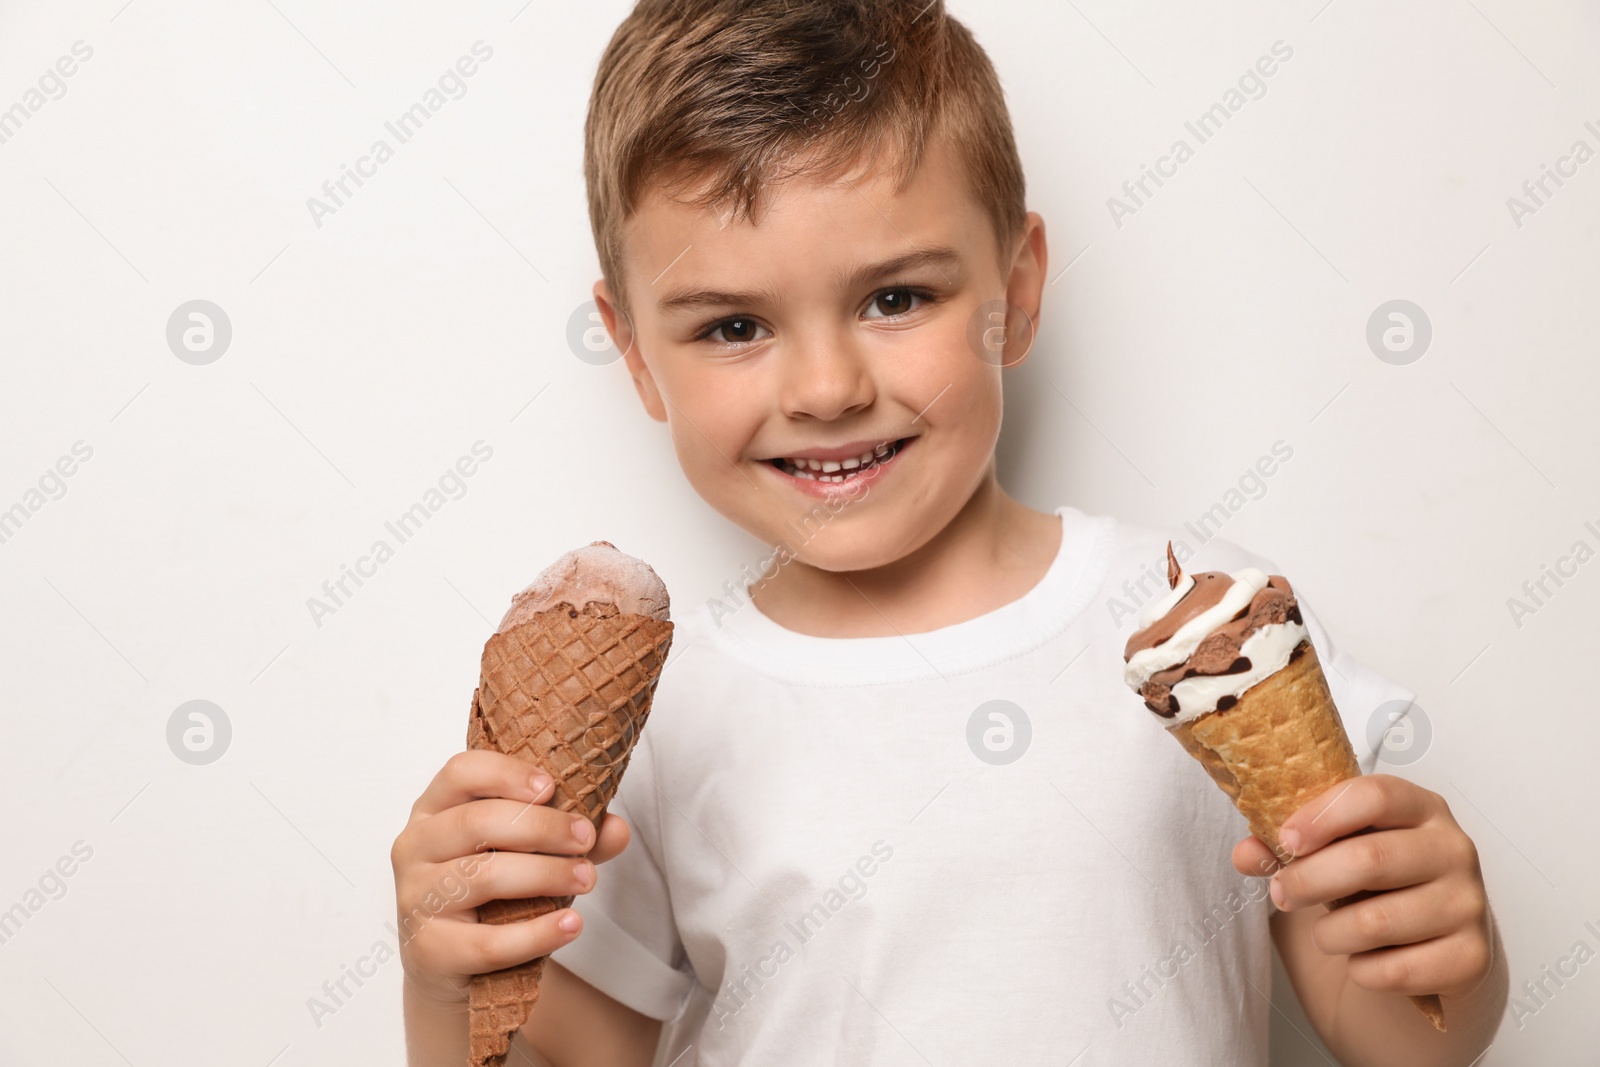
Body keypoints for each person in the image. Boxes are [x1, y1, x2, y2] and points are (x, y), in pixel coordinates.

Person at [392, 2, 1508, 1063]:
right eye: (734, 324)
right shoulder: (665, 717)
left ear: (1014, 291)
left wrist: (1444, 944)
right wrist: (446, 981)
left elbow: (1402, 1033)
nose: (826, 387)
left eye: (895, 298)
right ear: (634, 352)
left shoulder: (1203, 625)